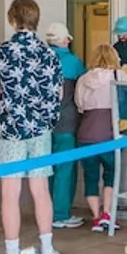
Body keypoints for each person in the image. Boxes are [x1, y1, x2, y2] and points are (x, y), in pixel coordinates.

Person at [0, 0, 64, 254]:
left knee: (10, 192)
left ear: (12, 19)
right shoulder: (50, 54)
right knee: (41, 190)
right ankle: (48, 251)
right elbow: (58, 95)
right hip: (41, 130)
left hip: (10, 129)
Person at [76, 44, 125, 234]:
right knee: (111, 174)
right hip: (109, 134)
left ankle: (96, 217)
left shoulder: (83, 79)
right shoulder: (118, 76)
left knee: (91, 177)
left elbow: (79, 105)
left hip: (86, 134)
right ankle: (107, 214)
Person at [45, 23, 87, 229]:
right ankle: (61, 214)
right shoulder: (73, 62)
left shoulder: (40, 59)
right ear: (65, 40)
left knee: (48, 169)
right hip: (67, 122)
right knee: (65, 169)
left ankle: (46, 213)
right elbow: (85, 89)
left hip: (43, 124)